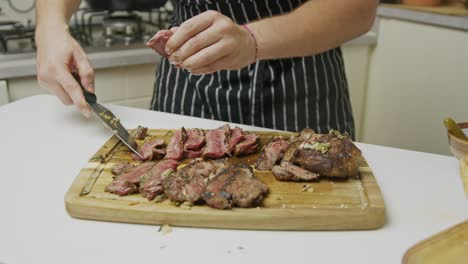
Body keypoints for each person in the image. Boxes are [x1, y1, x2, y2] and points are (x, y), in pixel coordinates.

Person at [36, 0, 377, 139]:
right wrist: (50, 28)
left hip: (298, 71)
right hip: (185, 72)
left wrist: (252, 41)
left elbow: (357, 9)